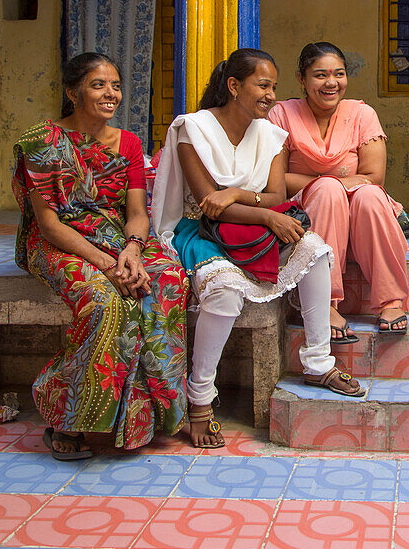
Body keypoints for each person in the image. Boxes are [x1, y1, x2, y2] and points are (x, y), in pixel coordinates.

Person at [152, 49, 363, 449]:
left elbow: (277, 194)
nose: (271, 96)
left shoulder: (271, 135)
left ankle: (318, 363)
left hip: (249, 229)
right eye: (262, 86)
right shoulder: (190, 129)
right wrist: (264, 213)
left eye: (274, 87)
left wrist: (238, 194)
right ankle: (199, 398)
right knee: (224, 292)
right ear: (234, 86)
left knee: (315, 252)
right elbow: (208, 203)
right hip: (199, 230)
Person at [12, 52, 189, 460]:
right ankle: (65, 417)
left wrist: (132, 250)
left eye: (115, 85)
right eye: (98, 85)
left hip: (116, 239)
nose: (111, 94)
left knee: (169, 280)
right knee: (105, 302)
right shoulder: (42, 143)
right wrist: (108, 266)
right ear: (73, 92)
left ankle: (143, 417)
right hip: (59, 243)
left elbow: (136, 214)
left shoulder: (127, 143)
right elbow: (50, 225)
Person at [268, 42, 409, 339]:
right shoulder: (282, 115)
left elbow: (374, 176)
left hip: (359, 201)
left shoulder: (361, 114)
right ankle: (325, 301)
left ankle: (390, 300)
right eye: (320, 75)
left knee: (370, 196)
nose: (331, 83)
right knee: (328, 191)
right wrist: (326, 183)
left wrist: (333, 183)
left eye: (339, 74)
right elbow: (275, 179)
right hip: (307, 206)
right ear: (302, 78)